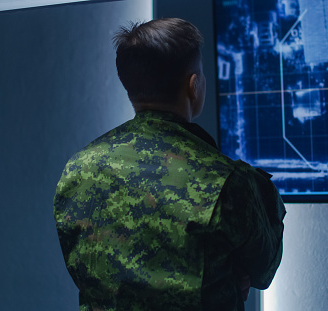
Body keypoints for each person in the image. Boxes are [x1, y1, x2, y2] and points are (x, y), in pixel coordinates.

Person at [53, 18, 285, 311]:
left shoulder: (77, 170)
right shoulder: (227, 181)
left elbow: (87, 268)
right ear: (194, 85)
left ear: (130, 86)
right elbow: (264, 270)